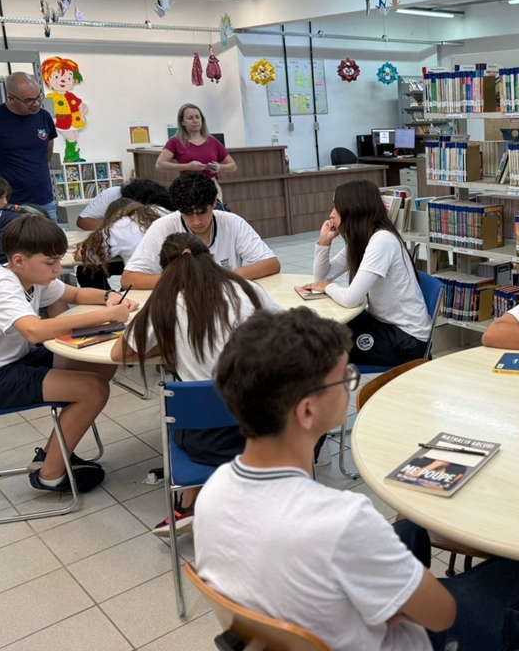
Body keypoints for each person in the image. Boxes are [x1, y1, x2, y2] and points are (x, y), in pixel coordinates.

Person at [193, 307, 519, 651]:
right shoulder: (343, 520)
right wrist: (399, 596)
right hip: (404, 641)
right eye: (343, 377)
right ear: (307, 410)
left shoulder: (213, 492)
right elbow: (440, 614)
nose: (349, 385)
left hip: (305, 625)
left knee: (411, 530)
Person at [0, 214, 138, 493]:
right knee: (93, 389)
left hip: (9, 362)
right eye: (50, 263)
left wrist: (107, 297)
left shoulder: (31, 278)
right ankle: (50, 475)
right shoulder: (1, 286)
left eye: (58, 261)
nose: (56, 269)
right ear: (18, 260)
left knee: (102, 362)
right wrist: (104, 315)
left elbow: (73, 294)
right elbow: (34, 332)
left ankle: (52, 454)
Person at [112, 233, 278, 536]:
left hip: (209, 439)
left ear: (166, 271)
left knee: (189, 414)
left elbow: (118, 353)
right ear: (210, 257)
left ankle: (190, 504)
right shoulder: (248, 289)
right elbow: (285, 331)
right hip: (269, 426)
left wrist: (172, 342)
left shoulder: (167, 304)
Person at [301, 178, 430, 368]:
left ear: (353, 208)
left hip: (406, 339)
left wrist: (328, 287)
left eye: (337, 207)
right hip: (382, 324)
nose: (331, 214)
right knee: (319, 332)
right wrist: (324, 241)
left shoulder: (382, 240)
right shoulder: (364, 238)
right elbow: (321, 279)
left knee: (322, 347)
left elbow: (350, 298)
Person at [121, 173, 279, 289]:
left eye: (202, 212)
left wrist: (222, 276)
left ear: (214, 203)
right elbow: (129, 279)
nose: (196, 221)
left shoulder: (232, 222)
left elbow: (271, 264)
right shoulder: (163, 227)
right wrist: (184, 281)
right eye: (188, 214)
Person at [0, 72, 58, 221]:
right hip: (9, 202)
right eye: (29, 100)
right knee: (13, 243)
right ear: (11, 97)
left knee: (51, 243)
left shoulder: (44, 116)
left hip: (44, 199)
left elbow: (47, 151)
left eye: (38, 97)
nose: (36, 103)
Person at [76, 198, 170, 290]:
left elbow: (86, 257)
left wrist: (82, 248)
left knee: (86, 270)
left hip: (147, 277)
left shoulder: (116, 227)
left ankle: (105, 298)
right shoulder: (158, 212)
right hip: (170, 269)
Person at [156, 104, 236, 200]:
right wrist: (188, 166)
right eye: (190, 118)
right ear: (182, 122)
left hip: (210, 186)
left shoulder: (212, 141)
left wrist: (220, 167)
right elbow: (159, 165)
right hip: (188, 187)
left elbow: (233, 165)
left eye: (197, 117)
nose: (195, 121)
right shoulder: (175, 141)